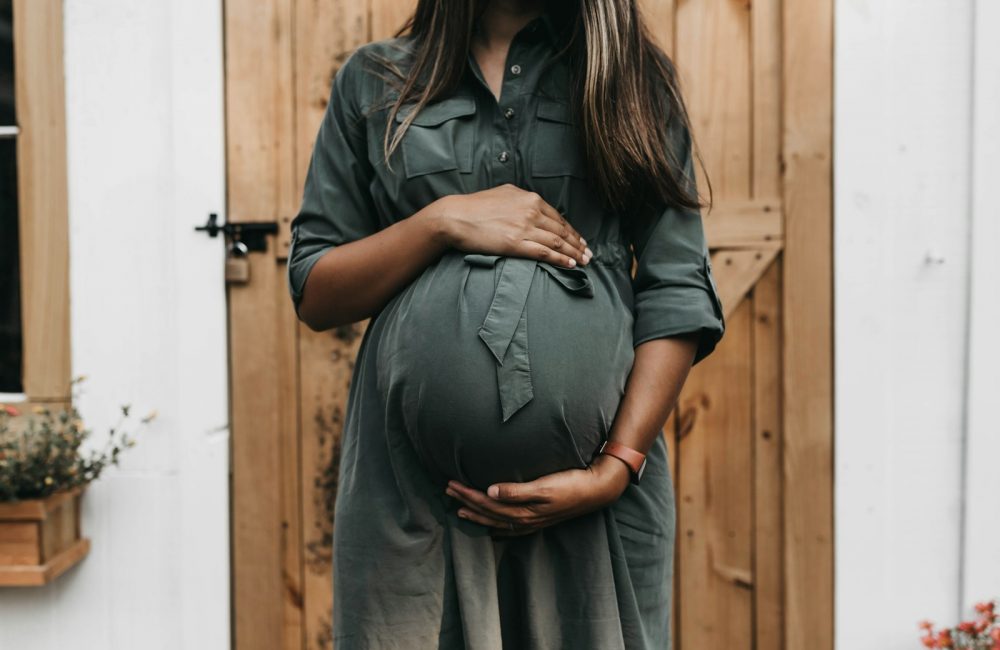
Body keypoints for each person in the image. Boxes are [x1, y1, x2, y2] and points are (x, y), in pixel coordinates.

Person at [286, 1, 726, 647]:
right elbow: (316, 291)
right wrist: (440, 222)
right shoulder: (374, 80)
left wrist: (615, 468)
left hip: (596, 504)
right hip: (414, 505)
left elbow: (678, 286)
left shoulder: (629, 76)